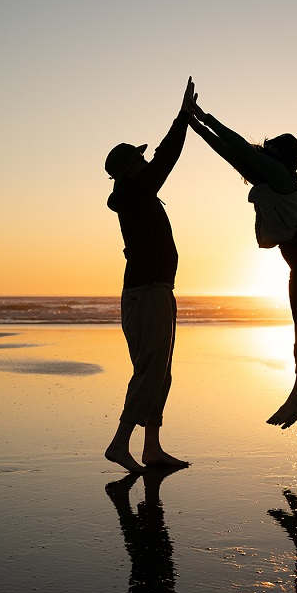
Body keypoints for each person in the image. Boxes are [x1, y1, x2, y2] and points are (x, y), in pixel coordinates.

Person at [183, 85, 297, 429]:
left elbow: (239, 147)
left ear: (281, 156)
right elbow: (231, 155)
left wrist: (206, 116)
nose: (263, 152)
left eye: (270, 149)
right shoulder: (267, 179)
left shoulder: (282, 177)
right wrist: (195, 126)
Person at [103, 78, 196, 472]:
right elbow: (165, 158)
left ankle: (152, 447)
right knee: (150, 370)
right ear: (130, 169)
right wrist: (183, 118)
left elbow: (157, 162)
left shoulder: (135, 195)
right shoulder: (136, 193)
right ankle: (120, 443)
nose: (145, 161)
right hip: (148, 292)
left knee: (161, 372)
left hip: (155, 291)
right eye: (138, 159)